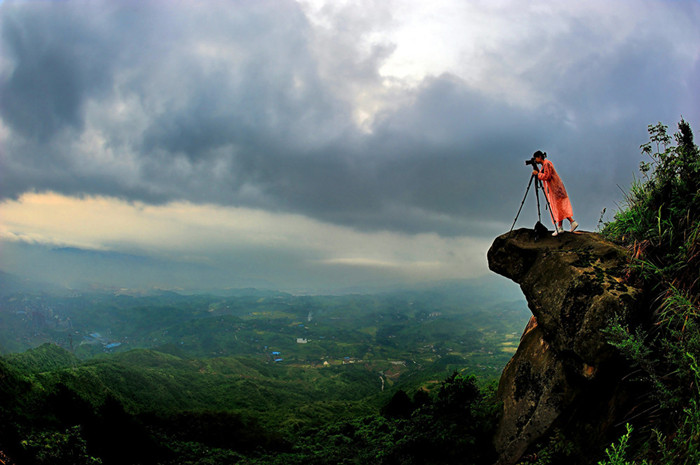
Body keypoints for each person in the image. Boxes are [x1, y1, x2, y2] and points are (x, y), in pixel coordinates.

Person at [531, 150, 578, 236]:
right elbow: (543, 173)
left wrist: (537, 174)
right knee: (559, 207)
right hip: (556, 188)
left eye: (535, 158)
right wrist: (537, 171)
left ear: (539, 157)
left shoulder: (546, 164)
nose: (535, 160)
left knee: (559, 207)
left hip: (556, 188)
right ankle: (560, 227)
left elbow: (546, 176)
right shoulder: (545, 164)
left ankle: (571, 222)